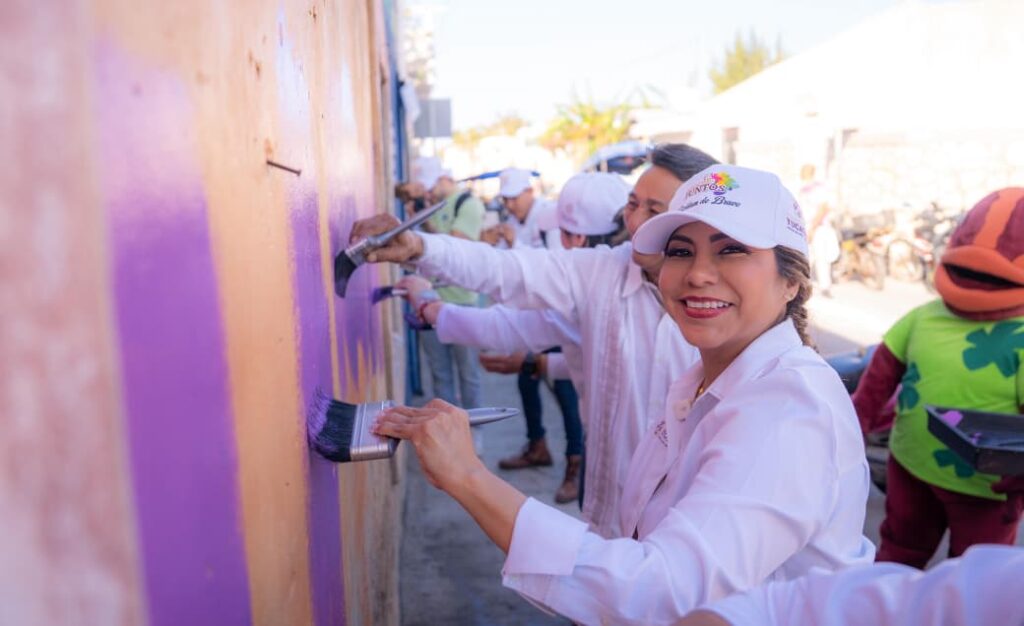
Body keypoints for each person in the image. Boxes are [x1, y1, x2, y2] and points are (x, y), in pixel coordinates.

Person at [364, 164, 874, 624]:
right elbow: (513, 275)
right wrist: (421, 250)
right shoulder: (702, 377)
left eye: (732, 249)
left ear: (791, 282)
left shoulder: (788, 410)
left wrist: (469, 477)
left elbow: (663, 592)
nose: (698, 272)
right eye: (680, 250)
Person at [352, 143, 713, 539]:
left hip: (686, 525)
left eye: (654, 210)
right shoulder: (602, 273)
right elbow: (506, 273)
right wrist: (421, 248)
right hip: (611, 511)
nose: (635, 220)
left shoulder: (721, 309)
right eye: (632, 203)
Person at [397, 171, 631, 505]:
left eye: (563, 233)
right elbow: (605, 360)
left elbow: (502, 286)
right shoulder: (628, 284)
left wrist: (427, 297)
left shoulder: (593, 286)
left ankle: (571, 463)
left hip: (619, 464)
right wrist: (539, 363)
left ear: (576, 240)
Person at [852, 187, 1024, 567]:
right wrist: (851, 428)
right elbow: (877, 380)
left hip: (986, 488)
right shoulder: (925, 315)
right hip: (910, 467)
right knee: (898, 555)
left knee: (974, 575)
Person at [679, 545, 1024, 626]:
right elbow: (785, 609)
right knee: (904, 546)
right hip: (916, 460)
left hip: (981, 488)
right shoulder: (1007, 586)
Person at [404, 156, 486, 410]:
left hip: (462, 303)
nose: (427, 191)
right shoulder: (434, 206)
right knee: (440, 375)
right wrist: (418, 218)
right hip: (430, 301)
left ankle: (475, 431)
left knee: (468, 373)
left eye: (430, 185)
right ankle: (448, 427)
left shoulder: (468, 204)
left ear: (444, 178)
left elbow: (455, 246)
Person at [482, 167, 563, 250]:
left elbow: (556, 259)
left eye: (514, 198)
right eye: (505, 199)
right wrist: (489, 242)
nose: (509, 205)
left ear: (530, 191)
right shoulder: (511, 220)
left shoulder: (550, 215)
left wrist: (514, 243)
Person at [799, 164, 839, 298]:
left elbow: (823, 208)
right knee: (808, 257)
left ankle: (824, 286)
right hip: (808, 226)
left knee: (820, 257)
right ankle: (804, 285)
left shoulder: (817, 189)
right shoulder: (805, 189)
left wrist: (812, 228)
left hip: (818, 227)